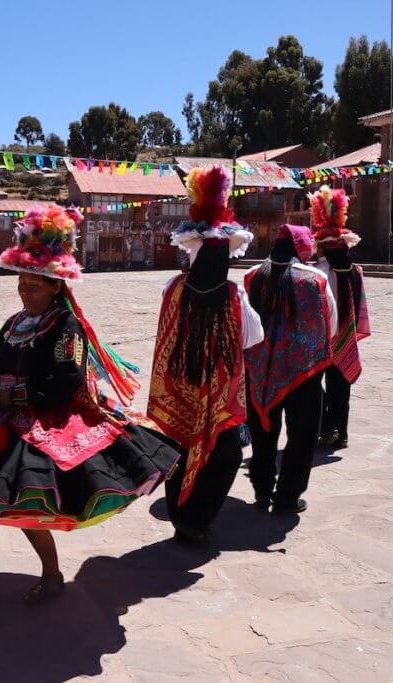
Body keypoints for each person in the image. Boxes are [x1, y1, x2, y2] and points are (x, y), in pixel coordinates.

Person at [0, 204, 180, 604]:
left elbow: (65, 382)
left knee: (28, 503)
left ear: (57, 285)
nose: (25, 291)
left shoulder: (65, 327)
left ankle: (52, 575)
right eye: (22, 284)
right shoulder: (16, 322)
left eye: (34, 286)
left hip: (41, 418)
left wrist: (16, 396)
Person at [147, 166, 264, 546]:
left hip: (179, 385)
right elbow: (253, 337)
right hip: (216, 392)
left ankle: (184, 517)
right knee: (225, 454)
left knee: (180, 448)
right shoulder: (234, 296)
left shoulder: (174, 288)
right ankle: (194, 519)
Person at [242, 223, 337, 515]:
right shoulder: (316, 279)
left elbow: (245, 325)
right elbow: (330, 323)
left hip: (260, 371)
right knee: (302, 436)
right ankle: (287, 497)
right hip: (304, 372)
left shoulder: (252, 276)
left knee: (263, 431)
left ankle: (262, 489)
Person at [309, 186, 370, 451]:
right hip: (344, 335)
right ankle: (340, 432)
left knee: (313, 386)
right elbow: (360, 306)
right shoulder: (355, 271)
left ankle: (326, 427)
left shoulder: (315, 273)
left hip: (321, 338)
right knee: (341, 387)